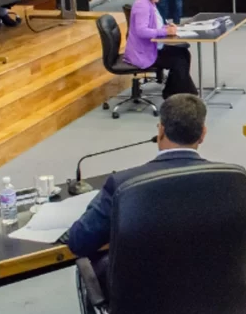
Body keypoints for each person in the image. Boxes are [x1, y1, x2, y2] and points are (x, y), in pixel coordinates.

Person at [67, 94, 210, 287]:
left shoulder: (124, 185)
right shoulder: (232, 181)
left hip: (143, 297)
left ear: (161, 131)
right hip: (210, 290)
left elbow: (79, 241)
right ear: (203, 134)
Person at [124, 0, 197, 98]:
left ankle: (174, 92)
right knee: (179, 60)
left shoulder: (149, 2)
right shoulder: (143, 5)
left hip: (151, 47)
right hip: (143, 53)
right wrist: (165, 32)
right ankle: (181, 94)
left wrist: (166, 28)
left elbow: (153, 26)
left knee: (184, 53)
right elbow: (142, 31)